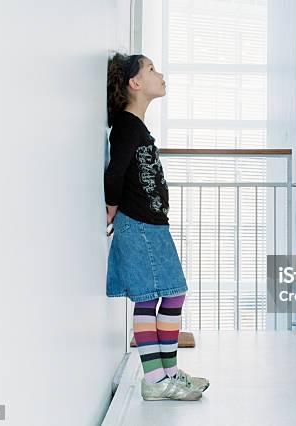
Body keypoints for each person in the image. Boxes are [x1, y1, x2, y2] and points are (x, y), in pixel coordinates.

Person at [105, 52, 210, 401]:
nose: (160, 74)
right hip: (138, 225)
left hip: (151, 225)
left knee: (170, 293)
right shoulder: (125, 125)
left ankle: (167, 373)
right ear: (135, 83)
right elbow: (115, 172)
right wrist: (111, 209)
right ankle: (156, 379)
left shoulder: (135, 125)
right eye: (151, 69)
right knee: (151, 298)